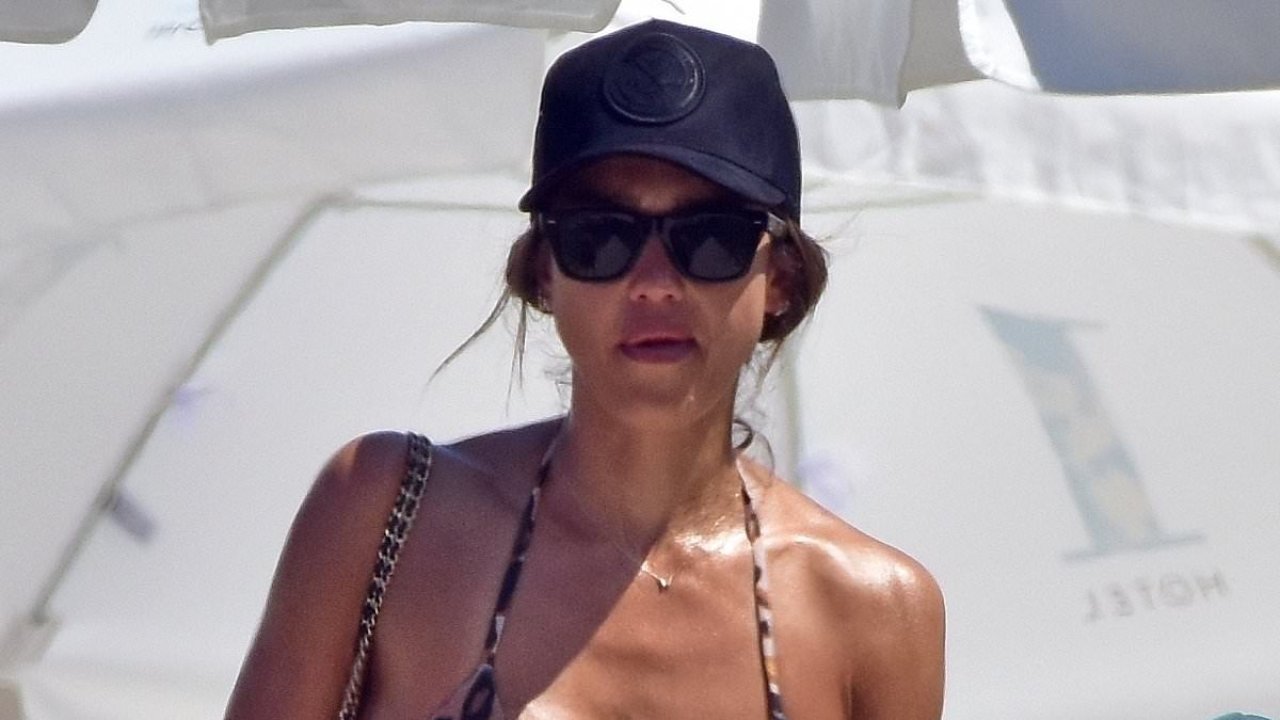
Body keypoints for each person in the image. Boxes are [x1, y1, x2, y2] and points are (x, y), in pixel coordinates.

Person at [225, 18, 944, 720]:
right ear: (544, 272)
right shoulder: (386, 509)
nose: (654, 284)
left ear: (781, 278)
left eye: (711, 237)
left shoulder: (876, 608)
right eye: (600, 237)